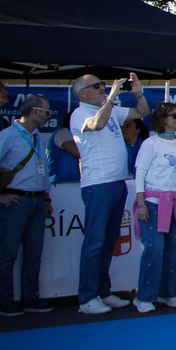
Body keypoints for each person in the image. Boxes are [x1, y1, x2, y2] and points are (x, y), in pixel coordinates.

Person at [60, 73, 150, 315]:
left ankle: (102, 290)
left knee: (109, 241)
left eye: (102, 85)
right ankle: (87, 297)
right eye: (97, 86)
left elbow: (141, 113)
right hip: (98, 184)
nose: (102, 88)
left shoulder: (109, 109)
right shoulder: (81, 113)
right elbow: (96, 124)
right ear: (82, 94)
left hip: (116, 182)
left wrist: (138, 93)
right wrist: (110, 98)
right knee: (95, 242)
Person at [0, 94, 54, 317]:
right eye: (47, 112)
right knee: (8, 253)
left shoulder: (38, 137)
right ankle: (5, 302)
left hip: (37, 200)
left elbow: (44, 169)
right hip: (16, 200)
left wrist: (46, 198)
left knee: (34, 253)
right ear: (35, 111)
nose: (49, 116)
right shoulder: (7, 136)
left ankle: (30, 297)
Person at [132, 102, 176, 313]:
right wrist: (141, 203)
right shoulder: (151, 144)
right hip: (154, 201)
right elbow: (140, 173)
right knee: (154, 248)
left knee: (173, 249)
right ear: (162, 119)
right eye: (174, 115)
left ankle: (168, 292)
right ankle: (144, 297)